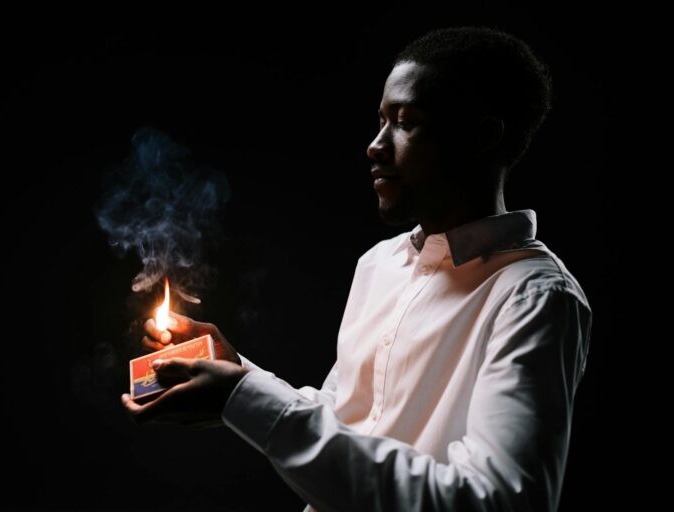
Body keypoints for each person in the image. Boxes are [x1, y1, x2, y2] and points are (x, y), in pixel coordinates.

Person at [121, 26, 592, 512]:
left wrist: (240, 398)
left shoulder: (534, 297)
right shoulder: (379, 265)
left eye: (407, 122)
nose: (375, 146)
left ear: (481, 137)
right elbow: (346, 423)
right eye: (381, 120)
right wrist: (238, 375)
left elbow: (497, 502)